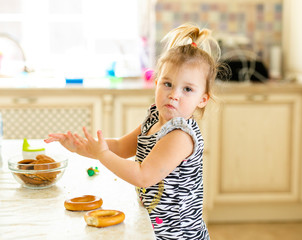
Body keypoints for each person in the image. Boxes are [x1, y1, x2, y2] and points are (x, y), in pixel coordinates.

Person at [44, 23, 221, 240]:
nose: (174, 94)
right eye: (167, 84)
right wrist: (82, 147)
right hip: (155, 227)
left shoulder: (180, 136)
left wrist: (102, 155)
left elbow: (143, 176)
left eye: (187, 89)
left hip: (179, 235)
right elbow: (120, 147)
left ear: (202, 99)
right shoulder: (155, 117)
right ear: (156, 83)